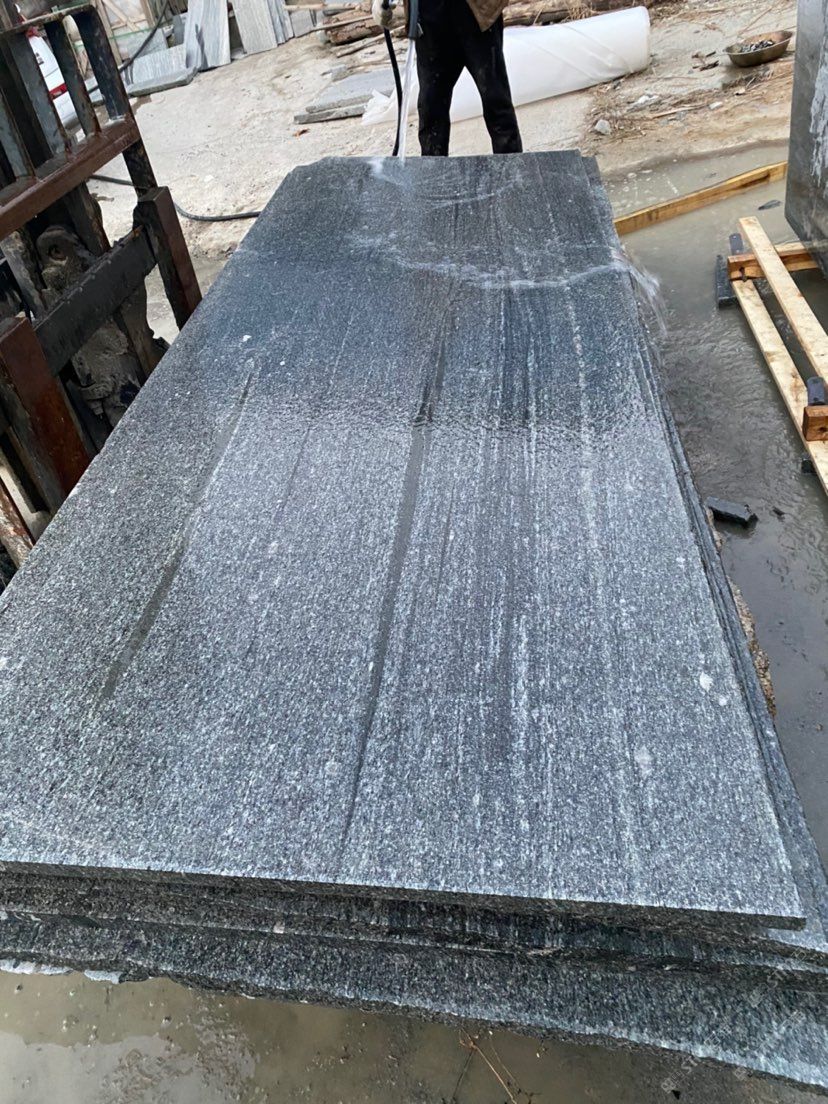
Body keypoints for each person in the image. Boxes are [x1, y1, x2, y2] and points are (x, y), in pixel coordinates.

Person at [371, 0, 522, 157]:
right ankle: (433, 170)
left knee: (495, 100)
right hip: (429, 20)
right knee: (431, 109)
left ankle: (512, 167)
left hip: (476, 13)